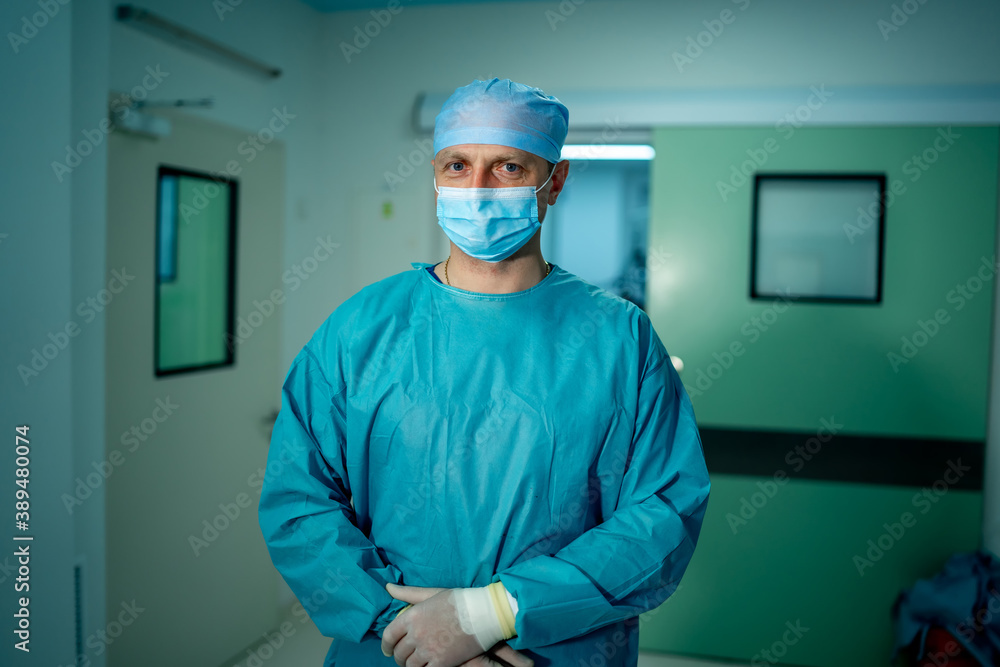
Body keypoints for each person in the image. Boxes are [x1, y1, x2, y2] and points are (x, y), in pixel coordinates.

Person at [258, 78, 711, 667]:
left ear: (555, 182)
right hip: (391, 651)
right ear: (436, 176)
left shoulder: (620, 340)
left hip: (556, 651)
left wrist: (490, 614)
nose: (476, 189)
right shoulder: (360, 330)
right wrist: (413, 631)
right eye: (457, 165)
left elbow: (664, 513)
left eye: (507, 168)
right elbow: (300, 501)